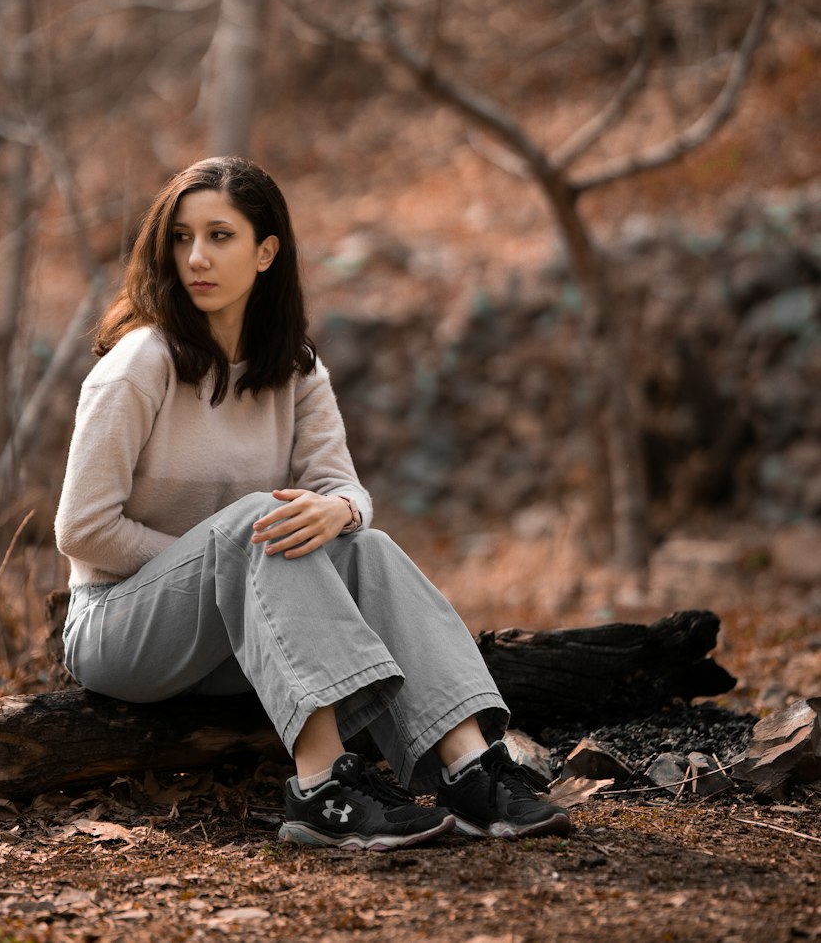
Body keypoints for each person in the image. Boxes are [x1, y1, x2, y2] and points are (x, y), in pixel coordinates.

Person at [54, 156, 570, 851]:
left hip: (239, 636)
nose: (196, 257)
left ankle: (469, 770)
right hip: (121, 629)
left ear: (267, 252)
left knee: (366, 546)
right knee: (259, 530)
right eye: (181, 238)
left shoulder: (293, 366)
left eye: (220, 236)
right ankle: (323, 788)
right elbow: (81, 530)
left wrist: (341, 513)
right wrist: (224, 566)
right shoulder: (140, 364)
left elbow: (344, 487)